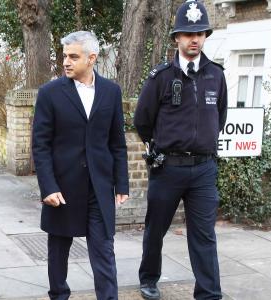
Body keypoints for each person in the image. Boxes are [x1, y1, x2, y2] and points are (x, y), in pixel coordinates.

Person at [133, 1, 228, 299]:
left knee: (204, 236)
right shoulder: (160, 77)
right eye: (188, 34)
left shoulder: (216, 75)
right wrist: (162, 146)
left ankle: (209, 293)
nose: (194, 39)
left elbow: (220, 117)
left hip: (203, 169)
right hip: (168, 168)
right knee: (156, 230)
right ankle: (149, 278)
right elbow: (142, 121)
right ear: (177, 37)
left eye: (200, 33)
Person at [32, 31, 130, 300]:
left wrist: (121, 183)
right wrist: (48, 187)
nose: (66, 62)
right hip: (62, 187)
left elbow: (117, 142)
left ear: (92, 58)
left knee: (104, 250)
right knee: (58, 250)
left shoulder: (111, 92)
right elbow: (40, 145)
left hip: (99, 187)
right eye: (65, 56)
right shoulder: (50, 93)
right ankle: (59, 296)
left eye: (73, 57)